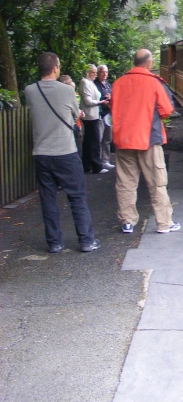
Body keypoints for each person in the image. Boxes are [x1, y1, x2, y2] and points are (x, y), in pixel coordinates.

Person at [24, 52, 100, 253]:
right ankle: (86, 240)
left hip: (41, 153)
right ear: (55, 68)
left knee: (48, 199)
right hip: (65, 152)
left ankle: (55, 243)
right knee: (77, 197)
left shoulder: (29, 91)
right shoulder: (66, 91)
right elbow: (75, 114)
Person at [111, 48, 180, 234]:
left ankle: (127, 222)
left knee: (126, 182)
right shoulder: (154, 83)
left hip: (124, 139)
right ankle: (164, 223)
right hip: (148, 139)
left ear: (135, 62)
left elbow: (113, 107)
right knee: (157, 182)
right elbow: (166, 110)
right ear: (148, 63)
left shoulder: (118, 83)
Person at [79, 64, 109, 174]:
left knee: (89, 141)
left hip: (94, 115)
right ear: (87, 72)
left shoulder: (90, 82)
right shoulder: (85, 82)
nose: (95, 75)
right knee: (95, 141)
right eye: (93, 72)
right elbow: (87, 101)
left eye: (96, 73)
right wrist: (101, 102)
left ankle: (87, 165)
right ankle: (97, 166)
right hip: (90, 116)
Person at [94, 64, 114, 169]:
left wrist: (110, 97)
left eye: (106, 72)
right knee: (99, 138)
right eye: (102, 72)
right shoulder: (94, 85)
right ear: (98, 73)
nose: (105, 74)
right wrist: (103, 100)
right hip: (99, 115)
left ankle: (106, 160)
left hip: (108, 114)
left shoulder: (108, 85)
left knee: (107, 138)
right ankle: (98, 161)